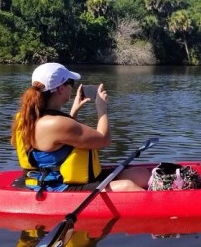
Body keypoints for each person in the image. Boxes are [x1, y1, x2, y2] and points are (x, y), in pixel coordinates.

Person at [11, 62, 149, 192]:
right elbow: (103, 140)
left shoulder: (31, 117)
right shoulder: (56, 123)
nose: (72, 87)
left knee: (141, 174)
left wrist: (74, 111)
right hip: (57, 186)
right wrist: (102, 109)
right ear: (60, 89)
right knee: (127, 186)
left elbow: (62, 141)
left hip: (65, 179)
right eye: (70, 83)